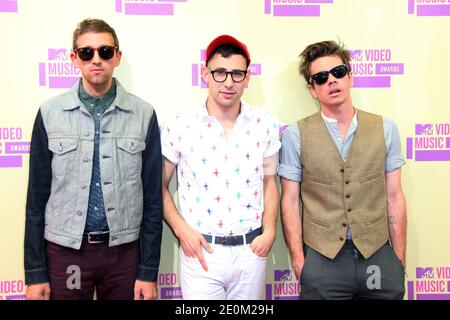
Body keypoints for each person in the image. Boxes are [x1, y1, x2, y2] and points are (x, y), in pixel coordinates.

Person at [24, 18, 163, 300]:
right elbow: (36, 199)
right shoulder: (49, 114)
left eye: (105, 51)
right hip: (66, 254)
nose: (96, 59)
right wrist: (36, 271)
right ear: (74, 58)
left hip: (123, 255)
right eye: (87, 52)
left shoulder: (143, 115)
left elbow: (152, 201)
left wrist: (147, 270)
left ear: (117, 57)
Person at [279, 40, 407, 300]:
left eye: (338, 73)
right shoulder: (295, 135)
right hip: (322, 259)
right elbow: (290, 201)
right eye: (321, 77)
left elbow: (395, 196)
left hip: (378, 256)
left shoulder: (385, 128)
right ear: (312, 89)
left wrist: (398, 259)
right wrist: (299, 261)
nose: (332, 81)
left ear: (350, 76)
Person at [161, 35, 280, 300]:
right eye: (220, 73)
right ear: (205, 74)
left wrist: (270, 230)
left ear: (247, 78)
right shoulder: (179, 127)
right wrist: (182, 232)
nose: (228, 82)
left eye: (237, 74)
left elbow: (270, 182)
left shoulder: (266, 125)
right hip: (201, 252)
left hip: (251, 251)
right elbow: (159, 186)